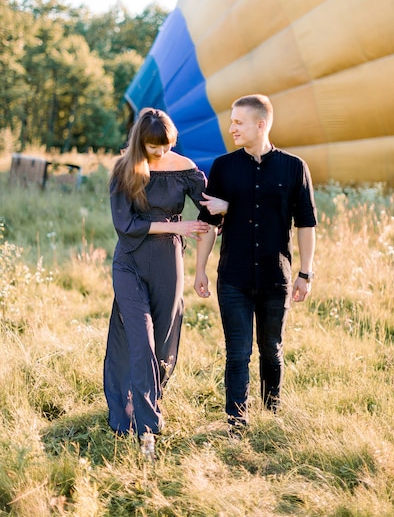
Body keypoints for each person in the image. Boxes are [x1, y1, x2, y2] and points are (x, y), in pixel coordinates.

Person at [194, 94, 317, 436]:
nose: (231, 128)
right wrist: (200, 269)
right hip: (232, 276)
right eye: (231, 121)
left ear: (260, 124)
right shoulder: (222, 167)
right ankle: (236, 423)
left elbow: (306, 224)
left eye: (238, 122)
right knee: (237, 353)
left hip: (275, 277)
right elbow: (207, 225)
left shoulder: (294, 167)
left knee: (271, 350)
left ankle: (271, 411)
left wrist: (306, 272)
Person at [104, 107, 210, 457]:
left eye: (166, 145)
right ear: (140, 142)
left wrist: (225, 208)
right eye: (154, 147)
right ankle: (146, 429)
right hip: (130, 262)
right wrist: (176, 226)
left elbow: (209, 210)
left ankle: (146, 396)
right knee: (140, 338)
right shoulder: (124, 169)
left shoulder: (185, 169)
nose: (161, 153)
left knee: (163, 342)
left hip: (168, 263)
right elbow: (126, 225)